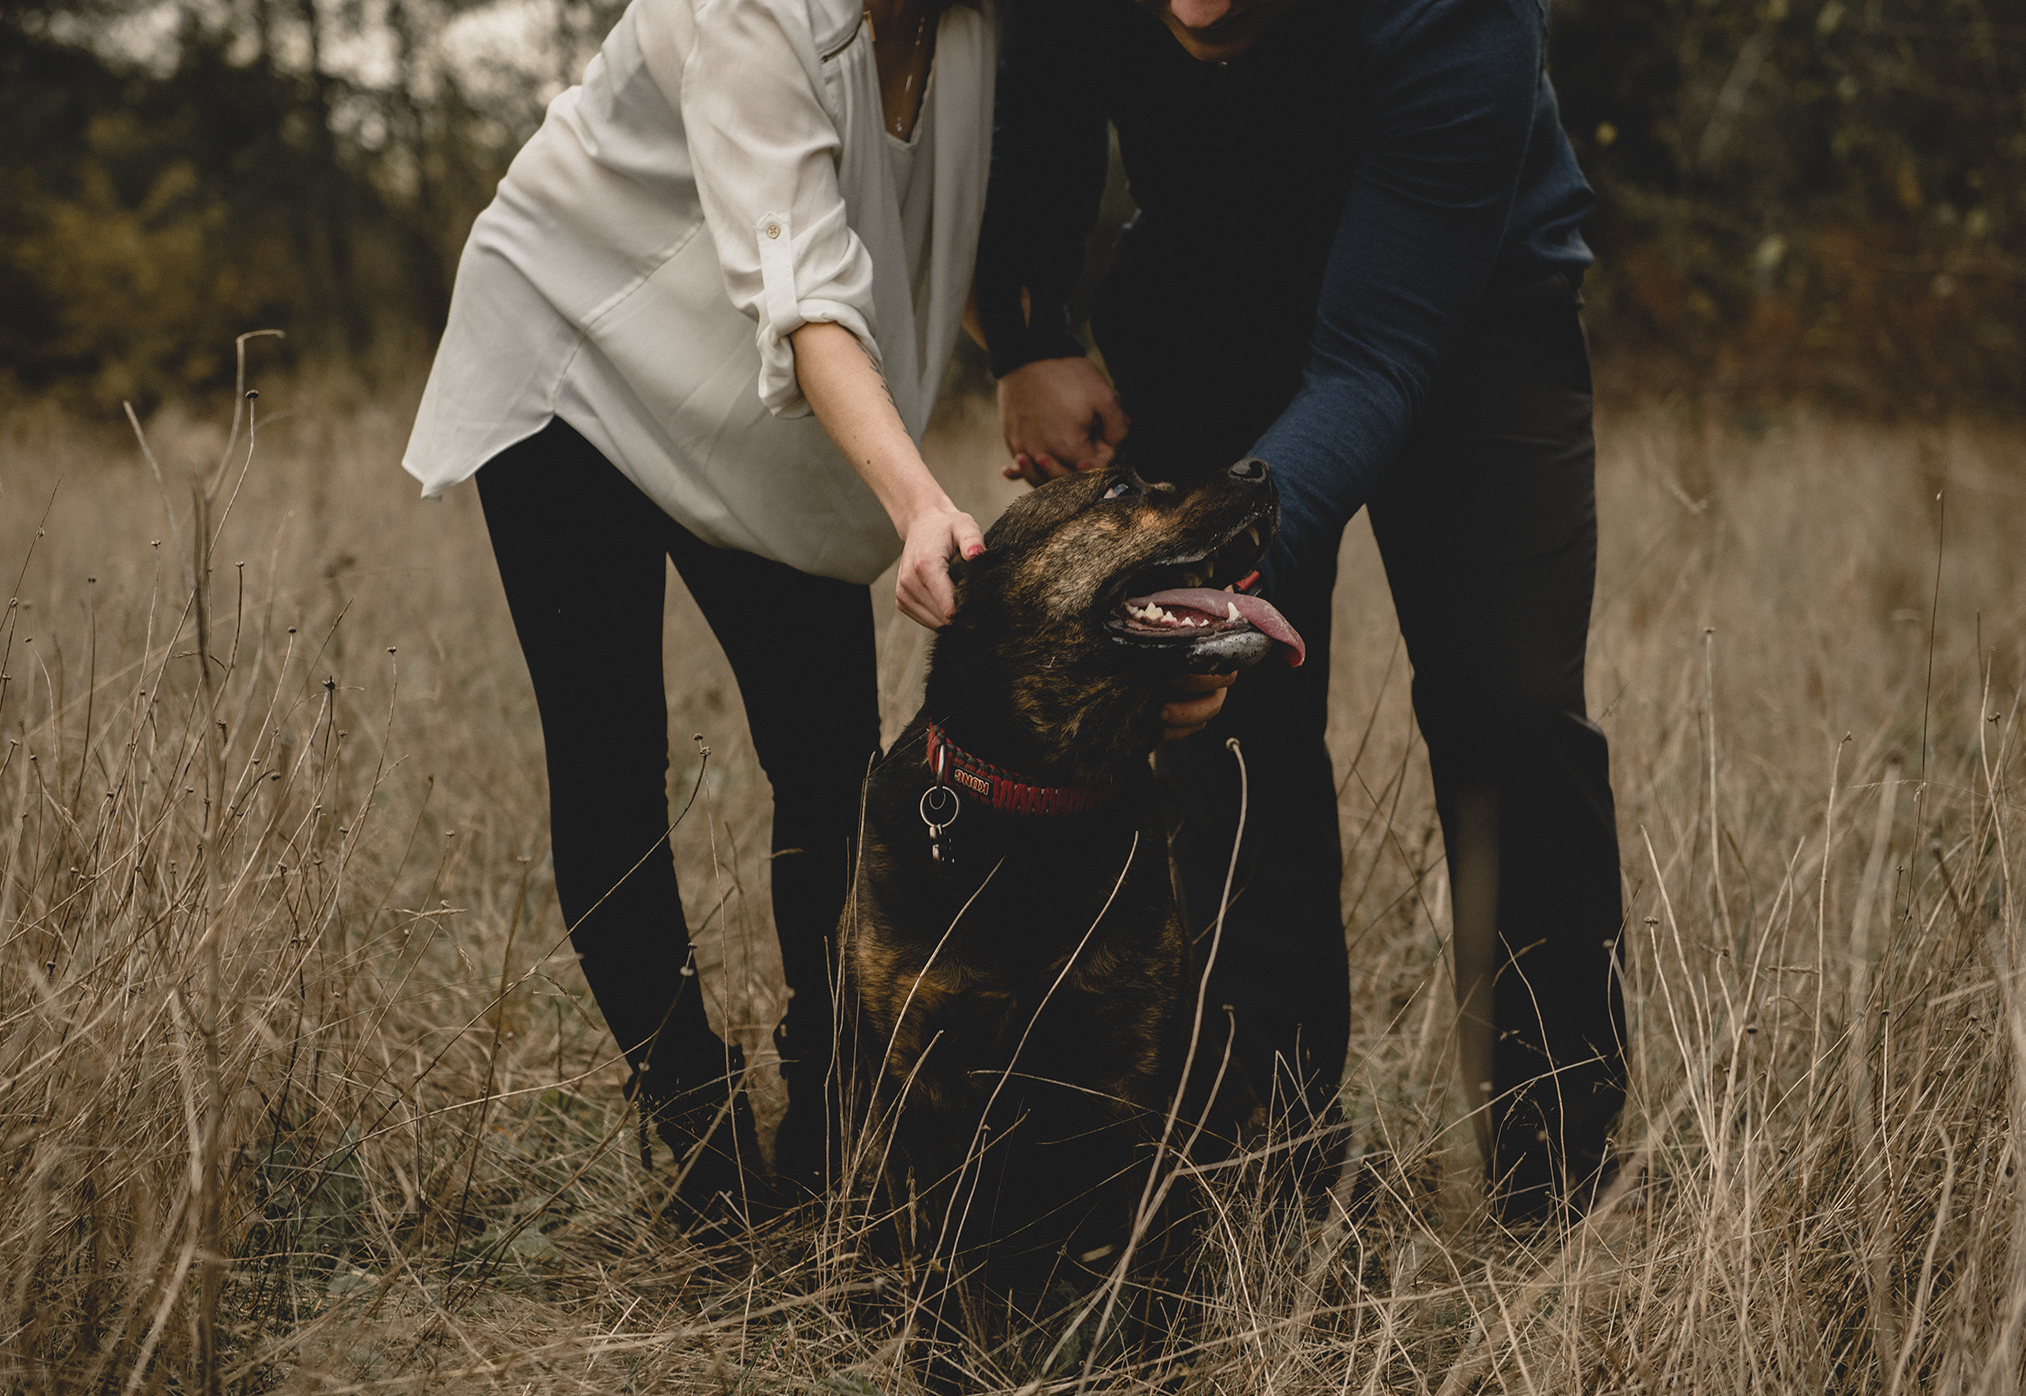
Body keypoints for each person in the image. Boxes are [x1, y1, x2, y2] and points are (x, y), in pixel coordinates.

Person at [975, 0, 1628, 1222]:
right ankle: (1257, 1164)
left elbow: (1372, 361)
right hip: (1211, 298)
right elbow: (1041, 96)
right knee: (1219, 721)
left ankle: (1559, 1173)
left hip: (1471, 299)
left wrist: (1232, 567)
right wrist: (1027, 338)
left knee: (1511, 705)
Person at [402, 0, 1003, 1228]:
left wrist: (1042, 343)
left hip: (759, 405)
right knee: (611, 749)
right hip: (577, 344)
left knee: (832, 758)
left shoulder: (984, 24)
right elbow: (808, 291)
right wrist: (919, 500)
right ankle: (697, 1127)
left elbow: (951, 220)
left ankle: (834, 1118)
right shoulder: (750, 9)